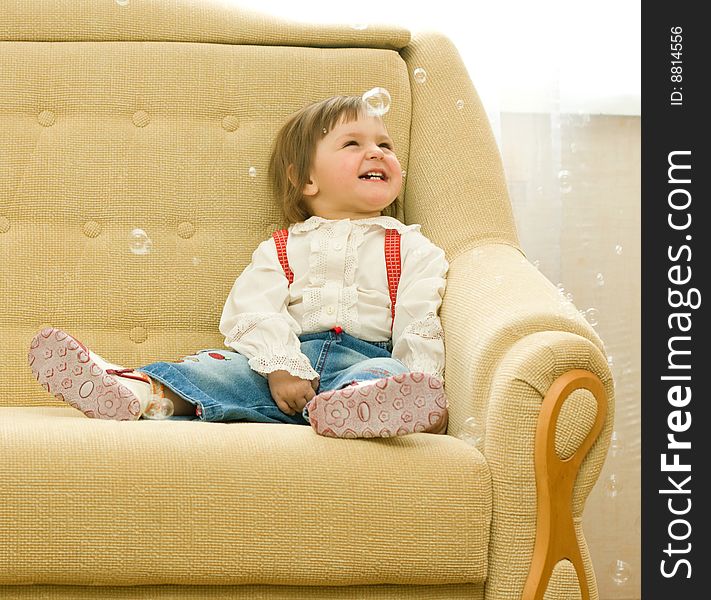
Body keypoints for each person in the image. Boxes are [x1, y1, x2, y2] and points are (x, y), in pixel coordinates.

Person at [28, 95, 449, 438]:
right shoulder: (282, 247)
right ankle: (132, 390)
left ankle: (365, 406)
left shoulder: (413, 247)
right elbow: (254, 308)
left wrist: (426, 388)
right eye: (352, 144)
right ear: (306, 181)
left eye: (385, 145)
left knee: (385, 373)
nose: (376, 152)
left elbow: (417, 322)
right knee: (216, 370)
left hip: (359, 362)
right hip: (276, 371)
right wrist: (281, 366)